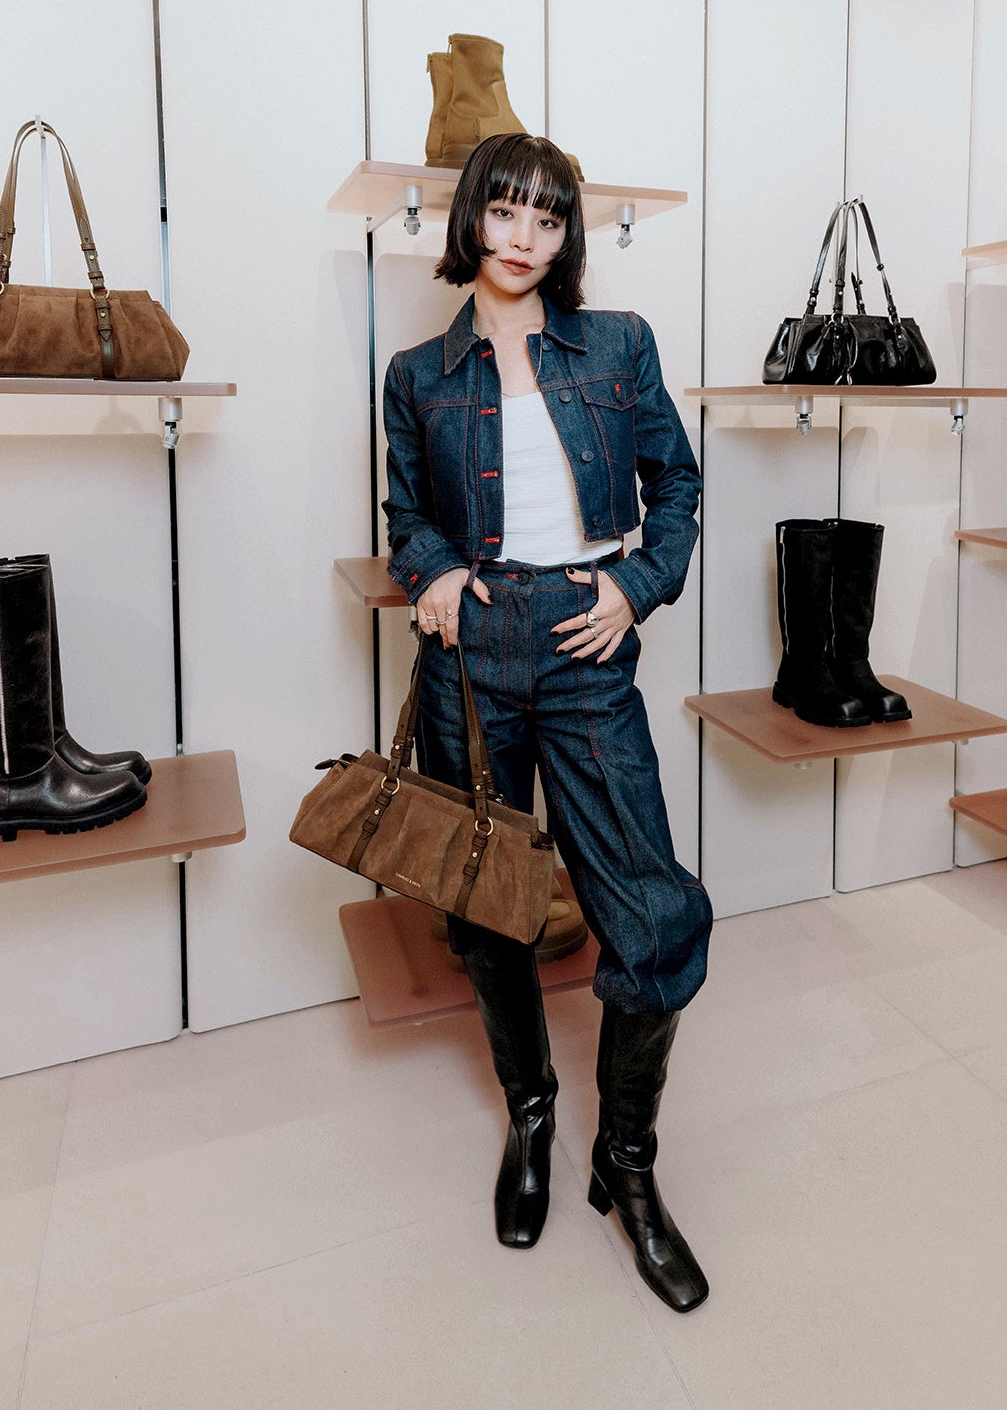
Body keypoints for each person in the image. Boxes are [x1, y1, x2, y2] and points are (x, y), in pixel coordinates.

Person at [383, 133, 713, 1313]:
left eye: (548, 217)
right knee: (487, 911)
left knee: (653, 914)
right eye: (505, 211)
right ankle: (531, 1114)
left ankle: (625, 1164)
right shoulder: (417, 373)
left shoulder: (618, 345)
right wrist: (430, 569)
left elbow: (677, 485)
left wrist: (636, 585)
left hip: (583, 642)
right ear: (470, 219)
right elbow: (407, 515)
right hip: (471, 657)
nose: (523, 237)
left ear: (568, 234)